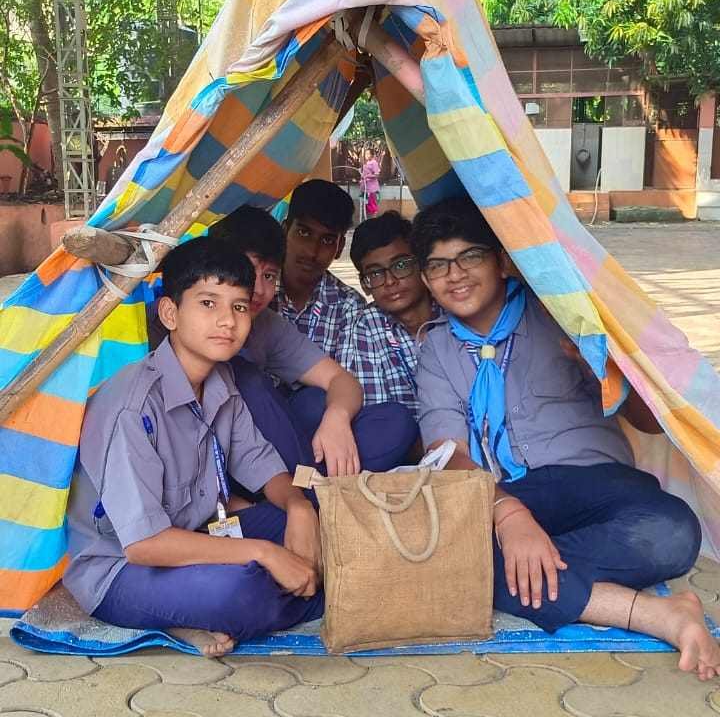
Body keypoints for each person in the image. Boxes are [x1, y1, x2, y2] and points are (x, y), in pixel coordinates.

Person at [410, 197, 720, 680]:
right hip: (506, 492)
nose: (455, 275)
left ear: (502, 261)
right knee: (454, 560)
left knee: (674, 533)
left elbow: (650, 421)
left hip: (596, 482)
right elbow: (447, 454)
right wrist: (509, 515)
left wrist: (605, 370)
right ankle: (658, 614)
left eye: (470, 256)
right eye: (438, 265)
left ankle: (527, 563)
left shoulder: (560, 312)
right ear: (427, 280)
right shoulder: (436, 348)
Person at [65, 238, 324, 658]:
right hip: (122, 569)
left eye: (239, 306)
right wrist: (264, 553)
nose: (227, 321)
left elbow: (259, 462)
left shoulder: (221, 383)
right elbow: (145, 544)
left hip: (196, 535)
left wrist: (299, 507)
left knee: (321, 533)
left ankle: (229, 607)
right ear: (170, 313)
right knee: (243, 591)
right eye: (207, 303)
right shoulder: (132, 406)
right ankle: (212, 611)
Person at [209, 204, 418, 473]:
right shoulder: (187, 319)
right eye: (248, 273)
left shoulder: (267, 324)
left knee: (390, 420)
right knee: (249, 380)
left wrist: (336, 419)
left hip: (284, 446)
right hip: (222, 459)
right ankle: (305, 487)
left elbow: (341, 380)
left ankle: (308, 482)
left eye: (269, 276)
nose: (258, 289)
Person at [340, 210, 443, 411]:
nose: (390, 281)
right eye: (375, 273)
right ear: (365, 285)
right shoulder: (364, 325)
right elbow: (378, 416)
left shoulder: (450, 309)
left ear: (422, 264)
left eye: (401, 265)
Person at [274, 179, 365, 358]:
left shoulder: (350, 307)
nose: (312, 251)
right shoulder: (257, 291)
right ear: (284, 232)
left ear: (339, 247)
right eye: (304, 233)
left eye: (327, 240)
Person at [360, 151, 381, 217]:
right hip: (365, 187)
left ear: (372, 155)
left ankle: (374, 218)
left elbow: (376, 175)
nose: (366, 155)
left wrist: (367, 176)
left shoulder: (374, 163)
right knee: (367, 204)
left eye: (368, 154)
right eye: (365, 154)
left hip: (371, 188)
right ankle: (369, 218)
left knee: (372, 203)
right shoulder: (367, 163)